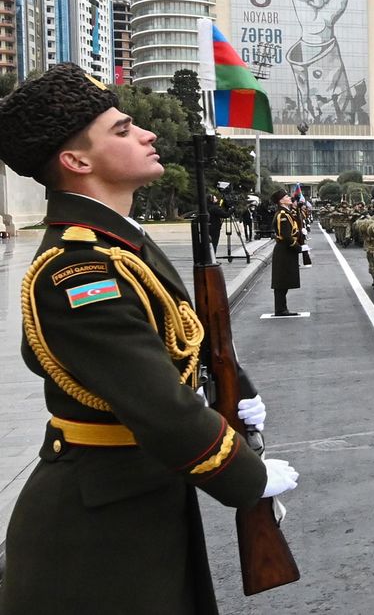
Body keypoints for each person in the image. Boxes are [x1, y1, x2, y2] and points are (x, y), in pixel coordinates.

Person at [0, 63, 297, 613]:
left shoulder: (120, 245)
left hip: (142, 497)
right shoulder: (79, 269)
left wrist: (234, 389)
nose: (147, 133)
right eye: (121, 130)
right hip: (96, 537)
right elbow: (157, 402)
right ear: (76, 161)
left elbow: (185, 335)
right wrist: (247, 478)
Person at [270, 188, 303, 316]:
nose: (289, 198)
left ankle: (281, 308)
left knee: (284, 280)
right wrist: (297, 247)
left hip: (286, 250)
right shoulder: (282, 215)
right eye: (286, 196)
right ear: (281, 201)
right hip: (284, 250)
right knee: (281, 281)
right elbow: (286, 235)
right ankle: (280, 309)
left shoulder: (286, 213)